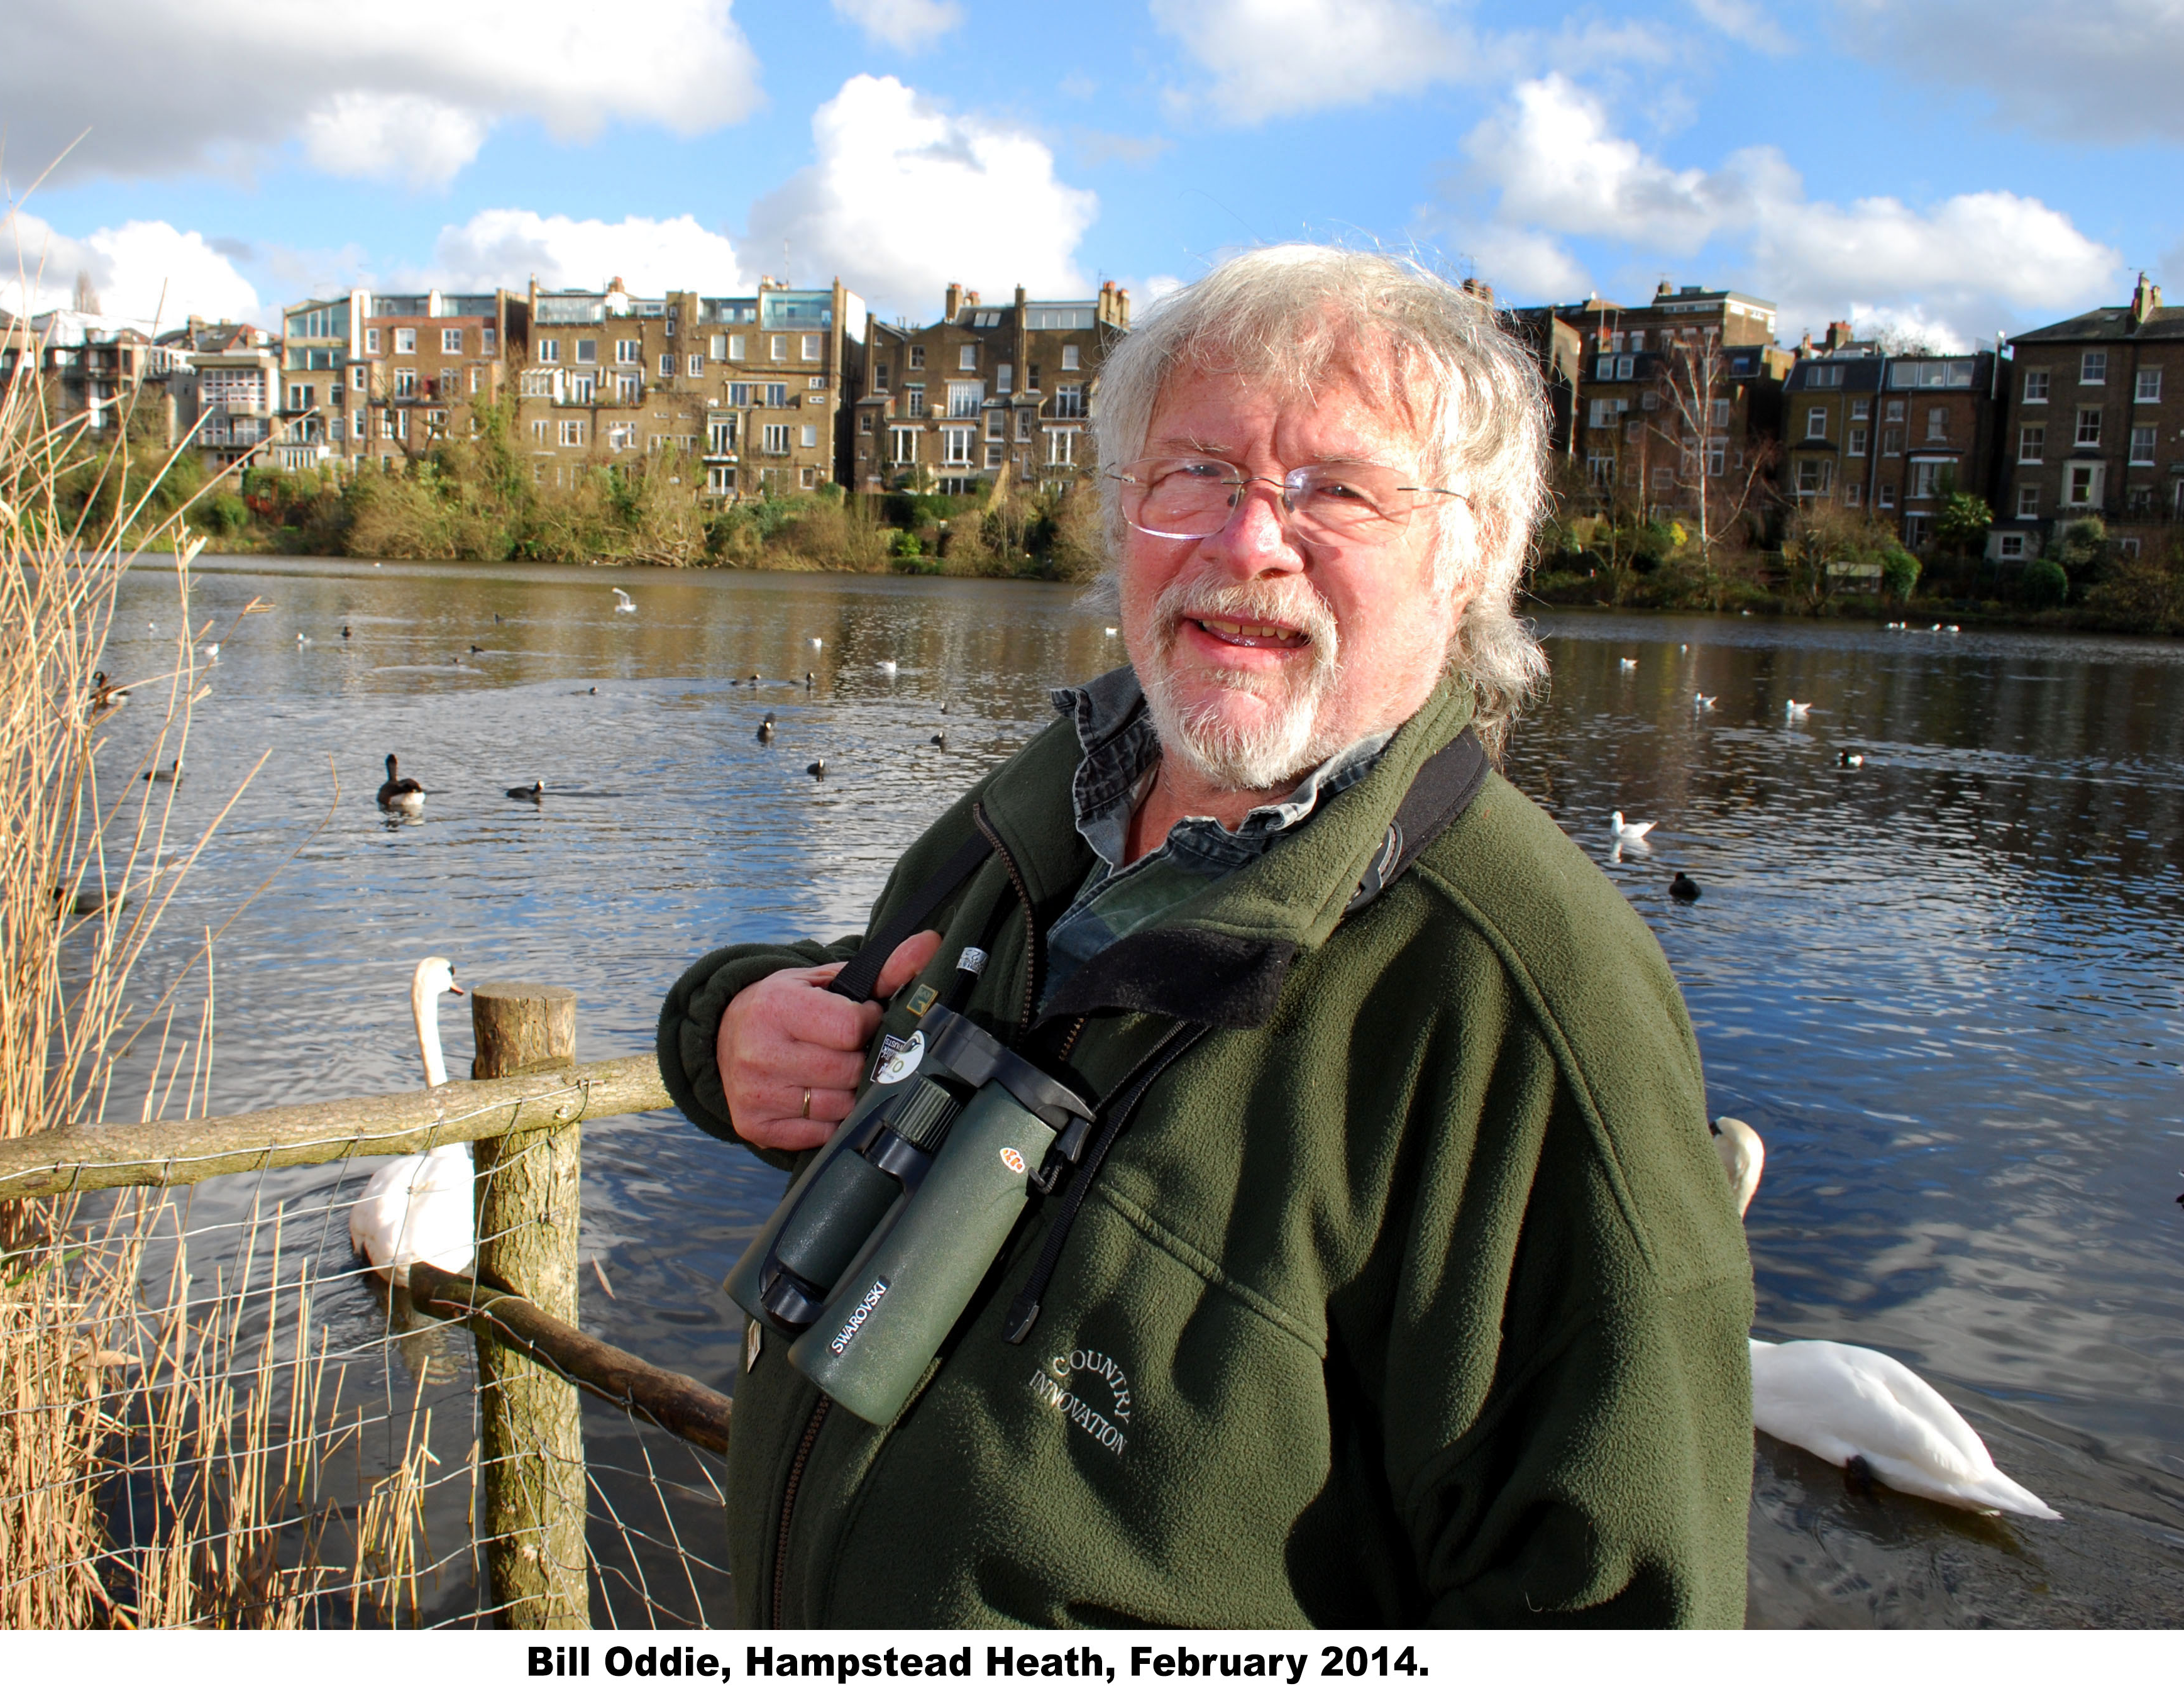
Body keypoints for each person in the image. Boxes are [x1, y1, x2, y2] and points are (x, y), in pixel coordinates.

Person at [658, 247, 1754, 1628]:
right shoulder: (1040, 809)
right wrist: (731, 1026)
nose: (1248, 541)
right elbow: (884, 1025)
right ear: (1123, 514)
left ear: (1470, 550)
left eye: (1337, 489)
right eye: (1194, 474)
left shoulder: (1530, 1010)